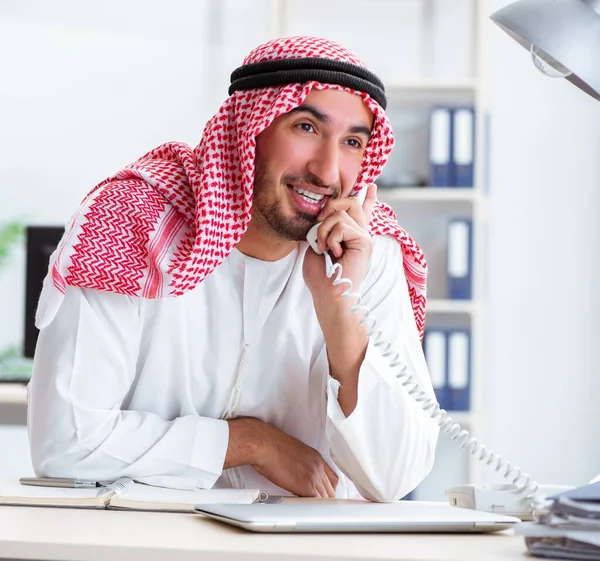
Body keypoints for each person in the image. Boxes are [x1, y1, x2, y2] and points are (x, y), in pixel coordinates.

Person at [27, 36, 439, 502]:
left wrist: (340, 311)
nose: (327, 171)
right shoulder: (131, 223)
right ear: (250, 130)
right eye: (305, 127)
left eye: (351, 142)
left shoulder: (368, 256)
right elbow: (66, 442)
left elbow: (394, 478)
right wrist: (248, 443)